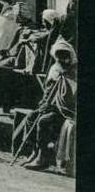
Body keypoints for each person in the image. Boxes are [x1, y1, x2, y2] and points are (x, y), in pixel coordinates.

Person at [19, 39, 77, 171]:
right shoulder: (55, 69)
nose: (62, 60)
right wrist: (44, 104)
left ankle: (43, 157)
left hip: (65, 110)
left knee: (43, 122)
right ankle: (35, 151)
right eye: (59, 57)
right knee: (30, 118)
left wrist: (53, 106)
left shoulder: (75, 72)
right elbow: (48, 90)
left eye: (65, 57)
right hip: (50, 106)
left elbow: (70, 98)